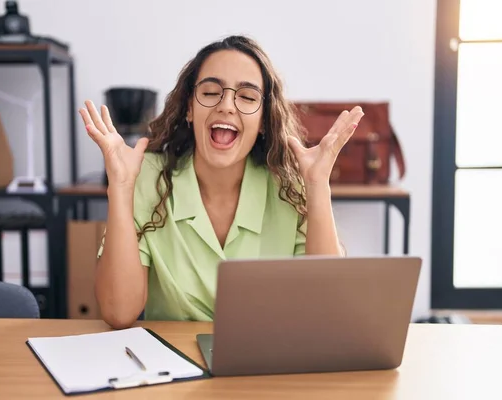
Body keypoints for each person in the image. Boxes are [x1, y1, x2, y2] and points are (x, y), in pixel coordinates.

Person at [79, 35, 364, 329]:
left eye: (248, 97)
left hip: (267, 365)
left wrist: (318, 186)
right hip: (176, 364)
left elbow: (328, 309)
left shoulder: (291, 184)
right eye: (211, 92)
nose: (227, 105)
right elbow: (118, 312)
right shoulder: (146, 176)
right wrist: (121, 188)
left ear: (264, 120)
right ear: (190, 108)